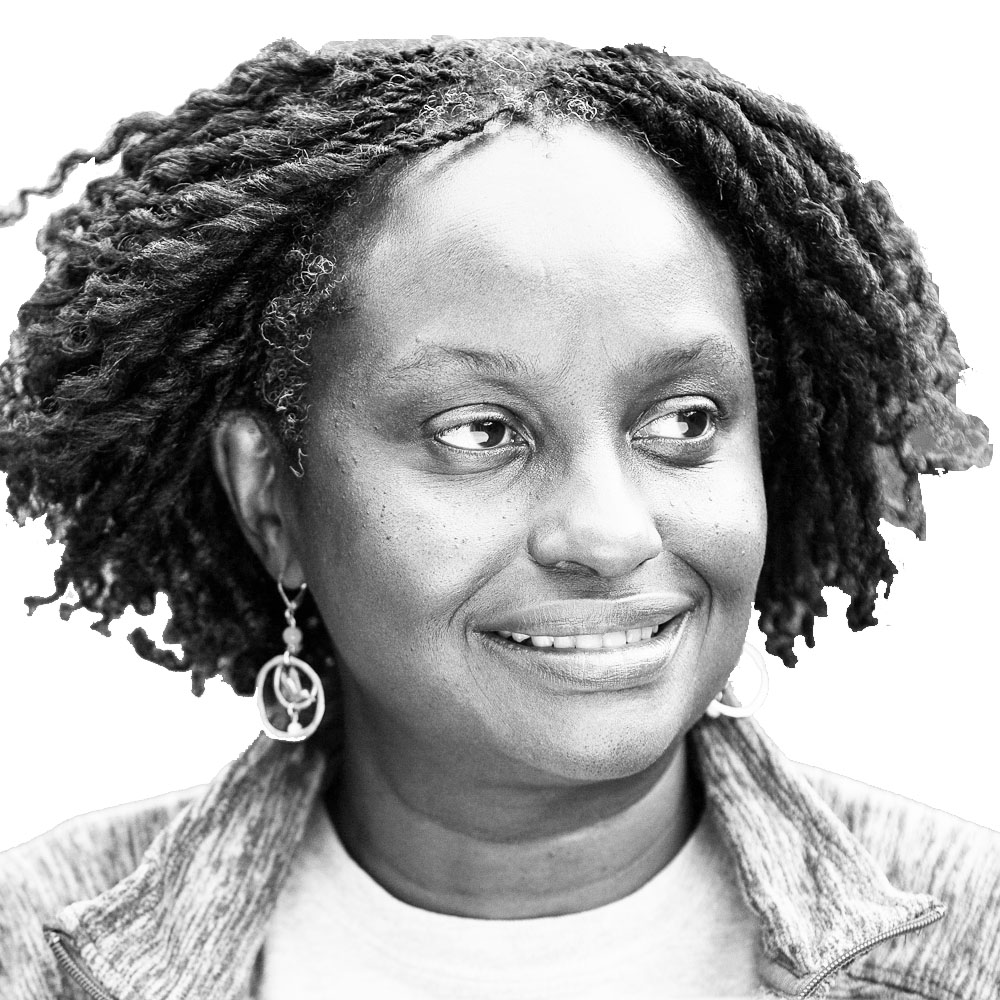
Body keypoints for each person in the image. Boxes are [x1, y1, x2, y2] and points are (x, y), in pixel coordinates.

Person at [0, 36, 996, 1000]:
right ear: (270, 498)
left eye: (684, 421)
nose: (611, 537)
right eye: (480, 432)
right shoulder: (28, 956)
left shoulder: (974, 950)